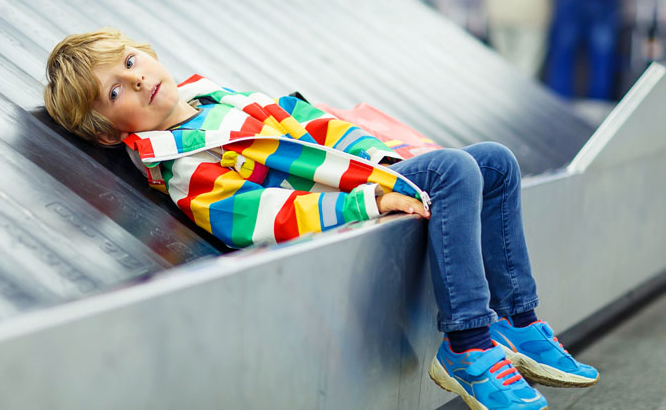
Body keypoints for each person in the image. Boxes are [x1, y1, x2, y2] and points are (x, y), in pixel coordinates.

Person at [45, 28, 599, 410]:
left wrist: (388, 164)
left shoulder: (215, 96)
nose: (136, 79)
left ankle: (517, 319)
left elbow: (318, 126)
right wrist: (372, 198)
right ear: (107, 132)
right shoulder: (182, 162)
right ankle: (469, 345)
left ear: (145, 52)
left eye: (129, 62)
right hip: (345, 204)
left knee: (496, 162)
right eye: (114, 90)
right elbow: (260, 217)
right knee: (455, 170)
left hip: (371, 172)